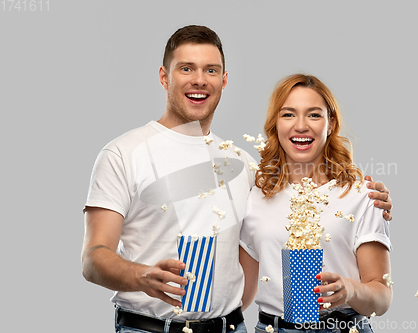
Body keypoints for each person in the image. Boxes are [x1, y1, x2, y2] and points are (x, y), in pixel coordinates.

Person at [82, 25, 392, 333]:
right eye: (186, 68)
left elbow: (248, 270)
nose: (199, 80)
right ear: (164, 76)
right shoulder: (124, 153)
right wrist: (141, 277)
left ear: (224, 80)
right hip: (148, 328)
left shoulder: (244, 168)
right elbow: (93, 258)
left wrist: (372, 198)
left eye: (211, 70)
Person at [239, 74, 392, 333]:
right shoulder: (256, 197)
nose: (301, 126)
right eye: (288, 115)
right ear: (275, 124)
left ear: (331, 124)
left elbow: (382, 298)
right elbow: (241, 296)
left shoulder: (360, 196)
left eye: (313, 115)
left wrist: (350, 290)